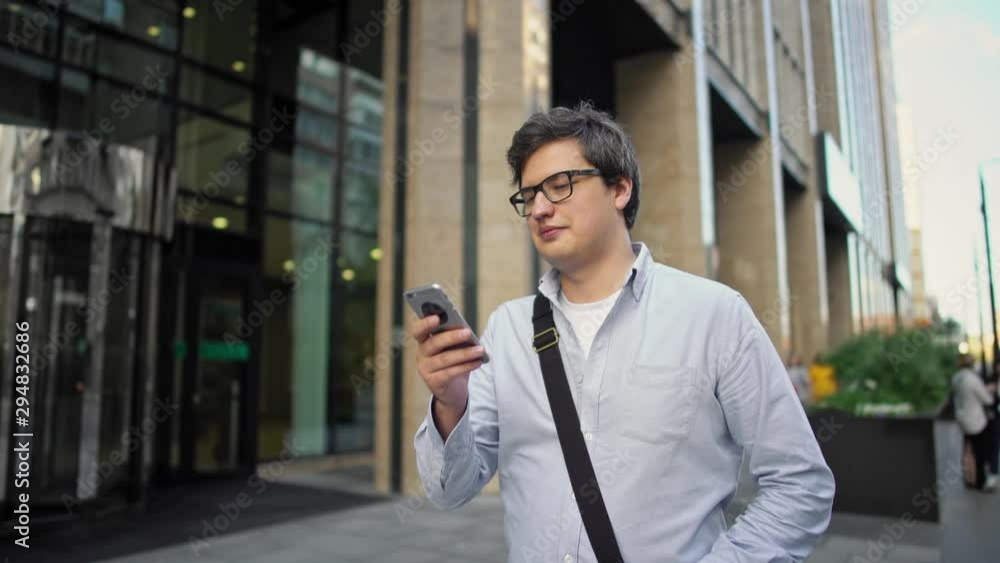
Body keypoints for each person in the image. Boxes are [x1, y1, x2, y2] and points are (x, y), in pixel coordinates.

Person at [411, 103, 834, 562]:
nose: (539, 209)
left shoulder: (713, 315)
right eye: (528, 196)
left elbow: (800, 484)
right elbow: (449, 490)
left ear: (619, 188)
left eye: (560, 185)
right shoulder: (507, 329)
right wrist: (450, 403)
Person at [952, 353, 997, 491]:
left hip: (962, 417)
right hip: (976, 420)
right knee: (979, 451)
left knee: (968, 449)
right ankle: (980, 481)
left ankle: (969, 478)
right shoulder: (972, 379)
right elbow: (987, 399)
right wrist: (990, 390)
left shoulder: (957, 378)